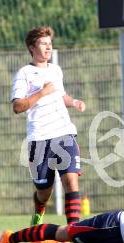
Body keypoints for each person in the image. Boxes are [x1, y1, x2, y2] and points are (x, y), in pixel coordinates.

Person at [11, 26, 86, 231]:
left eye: (50, 43)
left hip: (64, 132)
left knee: (71, 180)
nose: (48, 47)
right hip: (39, 138)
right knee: (44, 191)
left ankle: (74, 232)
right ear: (31, 47)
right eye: (43, 43)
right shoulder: (24, 74)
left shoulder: (55, 70)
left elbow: (61, 96)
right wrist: (41, 93)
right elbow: (17, 106)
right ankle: (39, 208)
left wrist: (75, 101)